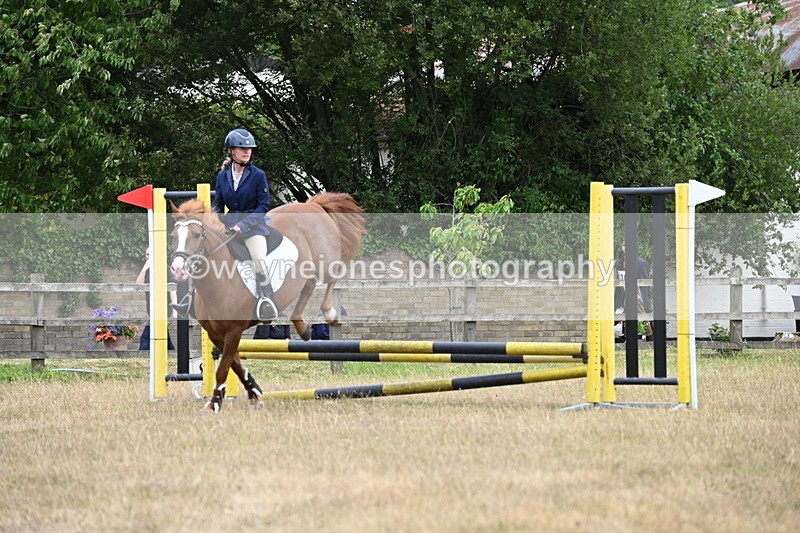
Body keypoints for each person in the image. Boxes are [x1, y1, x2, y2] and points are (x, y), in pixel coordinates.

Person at [212, 128, 278, 321]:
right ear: (231, 151)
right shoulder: (223, 176)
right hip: (229, 226)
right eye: (242, 148)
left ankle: (267, 300)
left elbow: (263, 205)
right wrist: (216, 222)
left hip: (254, 227)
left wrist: (243, 225)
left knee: (258, 259)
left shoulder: (258, 175)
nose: (247, 151)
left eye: (249, 148)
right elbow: (218, 204)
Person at [137, 246, 177, 350]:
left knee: (148, 335)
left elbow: (172, 289)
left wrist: (175, 310)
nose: (149, 257)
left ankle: (143, 351)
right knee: (161, 333)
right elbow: (138, 285)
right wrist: (144, 269)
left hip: (163, 308)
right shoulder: (147, 271)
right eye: (147, 255)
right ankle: (170, 351)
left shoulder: (165, 269)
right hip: (151, 308)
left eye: (151, 255)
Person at [614, 240, 652, 339]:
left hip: (636, 295)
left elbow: (644, 284)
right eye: (624, 245)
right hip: (622, 294)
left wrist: (643, 299)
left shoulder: (641, 263)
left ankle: (648, 337)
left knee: (642, 318)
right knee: (620, 316)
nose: (625, 247)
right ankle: (624, 338)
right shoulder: (620, 261)